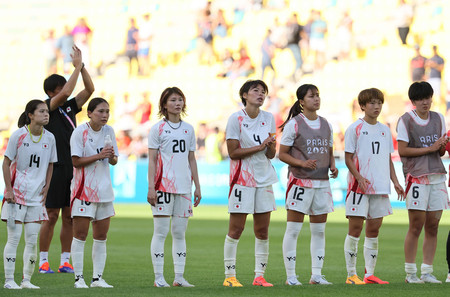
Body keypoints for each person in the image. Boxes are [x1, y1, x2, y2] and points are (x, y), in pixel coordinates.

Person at [38, 45, 95, 274]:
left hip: (73, 167)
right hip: (54, 168)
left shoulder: (69, 108)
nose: (67, 92)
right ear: (53, 92)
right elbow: (66, 93)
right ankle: (43, 260)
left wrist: (82, 69)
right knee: (51, 215)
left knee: (69, 216)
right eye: (62, 88)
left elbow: (89, 89)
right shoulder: (47, 107)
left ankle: (65, 260)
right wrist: (77, 67)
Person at [343, 88, 405, 285]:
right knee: (355, 228)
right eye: (371, 103)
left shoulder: (385, 129)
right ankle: (351, 274)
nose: (376, 106)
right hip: (358, 187)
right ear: (362, 106)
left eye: (379, 102)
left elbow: (387, 159)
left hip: (380, 185)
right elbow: (347, 158)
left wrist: (395, 182)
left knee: (374, 229)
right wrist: (359, 177)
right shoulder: (355, 128)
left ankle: (369, 274)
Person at [279, 84, 337, 286]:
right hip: (300, 182)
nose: (317, 99)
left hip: (322, 182)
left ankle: (316, 275)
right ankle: (291, 277)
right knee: (294, 229)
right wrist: (302, 163)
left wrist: (332, 165)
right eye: (312, 96)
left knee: (319, 230)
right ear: (302, 102)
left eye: (318, 95)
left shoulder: (326, 123)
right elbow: (282, 153)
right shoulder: (294, 124)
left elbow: (329, 149)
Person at [223, 80, 277, 287]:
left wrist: (270, 147)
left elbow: (271, 154)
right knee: (236, 229)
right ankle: (230, 276)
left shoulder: (269, 118)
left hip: (264, 179)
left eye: (263, 91)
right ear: (244, 95)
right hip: (242, 180)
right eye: (256, 90)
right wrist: (260, 146)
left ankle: (259, 276)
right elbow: (233, 152)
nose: (261, 94)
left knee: (262, 231)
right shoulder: (235, 118)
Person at [147, 87, 201, 287]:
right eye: (173, 100)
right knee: (160, 232)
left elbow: (191, 159)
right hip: (162, 187)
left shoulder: (189, 129)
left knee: (179, 232)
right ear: (164, 104)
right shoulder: (157, 129)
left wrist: (197, 186)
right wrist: (151, 187)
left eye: (180, 100)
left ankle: (179, 277)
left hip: (184, 188)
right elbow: (152, 160)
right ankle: (159, 277)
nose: (177, 103)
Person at [397, 81, 449, 283]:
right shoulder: (406, 121)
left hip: (436, 175)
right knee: (416, 225)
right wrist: (430, 148)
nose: (425, 102)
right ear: (413, 101)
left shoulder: (438, 118)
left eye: (428, 97)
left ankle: (427, 272)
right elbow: (402, 150)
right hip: (416, 176)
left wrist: (441, 146)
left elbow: (441, 151)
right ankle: (410, 273)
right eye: (421, 99)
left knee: (433, 225)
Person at [2, 100, 57, 289]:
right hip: (16, 196)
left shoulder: (50, 138)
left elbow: (50, 164)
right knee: (14, 239)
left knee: (32, 241)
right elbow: (6, 163)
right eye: (41, 111)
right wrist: (9, 190)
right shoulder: (18, 135)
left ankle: (26, 280)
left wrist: (47, 186)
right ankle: (9, 280)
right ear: (30, 115)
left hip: (37, 198)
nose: (46, 114)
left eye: (47, 111)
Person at [69, 97, 118, 288]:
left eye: (107, 111)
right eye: (101, 111)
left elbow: (113, 161)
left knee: (101, 237)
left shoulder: (109, 131)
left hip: (104, 190)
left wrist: (111, 155)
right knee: (80, 235)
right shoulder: (79, 132)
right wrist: (99, 155)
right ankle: (78, 278)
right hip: (84, 191)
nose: (105, 115)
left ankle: (97, 278)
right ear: (89, 113)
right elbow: (75, 161)